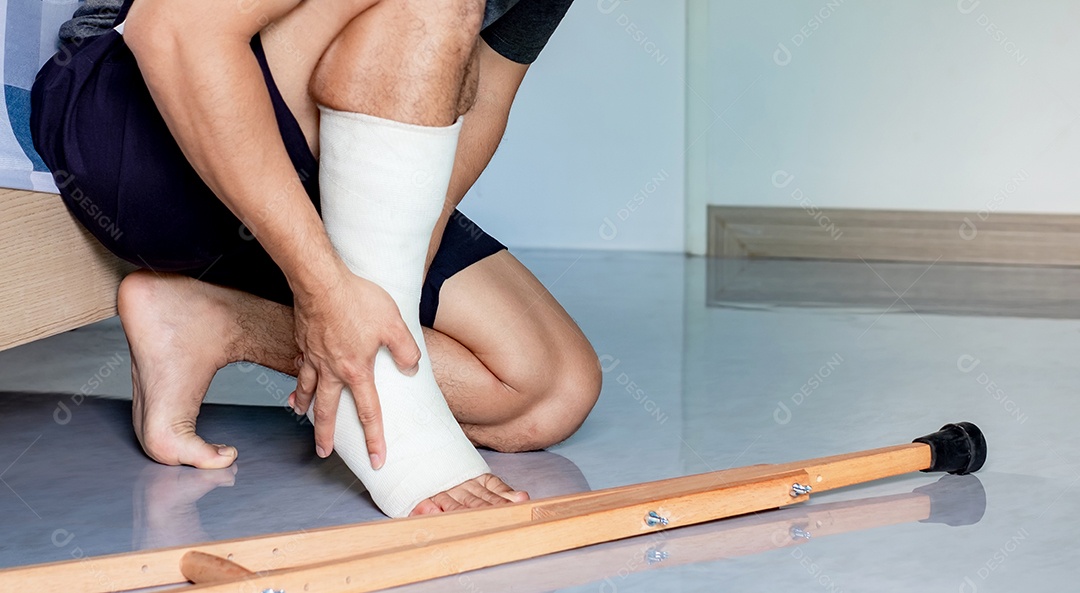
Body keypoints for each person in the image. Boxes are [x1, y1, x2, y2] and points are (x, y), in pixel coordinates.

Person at [30, 0, 601, 516]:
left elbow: (484, 99)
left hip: (308, 152)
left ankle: (208, 320)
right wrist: (324, 291)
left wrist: (388, 299)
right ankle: (376, 384)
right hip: (140, 126)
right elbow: (173, 31)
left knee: (548, 391)